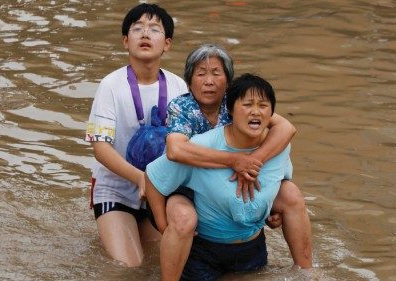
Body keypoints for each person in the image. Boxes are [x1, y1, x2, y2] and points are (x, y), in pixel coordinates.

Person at [153, 44, 312, 280]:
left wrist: (254, 163)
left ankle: (307, 271)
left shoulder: (241, 101)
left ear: (228, 81)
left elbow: (286, 127)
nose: (209, 81)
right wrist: (235, 160)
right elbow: (175, 151)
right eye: (201, 73)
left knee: (289, 192)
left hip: (229, 183)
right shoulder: (182, 106)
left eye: (216, 73)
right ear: (189, 81)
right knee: (184, 217)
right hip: (184, 183)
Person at [84, 3, 188, 267]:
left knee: (158, 264)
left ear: (167, 44)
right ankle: (111, 223)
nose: (145, 34)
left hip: (161, 191)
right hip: (116, 189)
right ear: (125, 41)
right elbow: (101, 149)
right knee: (129, 267)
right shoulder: (110, 85)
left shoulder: (178, 86)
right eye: (137, 28)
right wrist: (141, 179)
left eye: (154, 29)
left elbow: (188, 144)